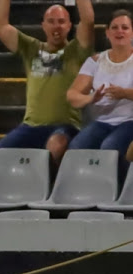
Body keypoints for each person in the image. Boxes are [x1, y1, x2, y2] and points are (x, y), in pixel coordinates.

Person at [0, 0, 94, 181]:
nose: (57, 26)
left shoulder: (77, 50)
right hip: (30, 127)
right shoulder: (31, 48)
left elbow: (88, 21)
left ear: (70, 25)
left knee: (55, 146)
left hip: (65, 127)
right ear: (43, 25)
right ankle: (17, 196)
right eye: (52, 21)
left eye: (62, 21)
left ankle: (45, 195)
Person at [67, 10, 133, 188]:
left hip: (129, 121)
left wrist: (126, 93)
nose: (120, 31)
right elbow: (72, 95)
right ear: (107, 32)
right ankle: (82, 192)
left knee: (110, 147)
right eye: (115, 28)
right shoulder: (95, 61)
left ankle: (118, 195)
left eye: (125, 28)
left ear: (132, 32)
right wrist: (90, 98)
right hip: (102, 121)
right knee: (77, 146)